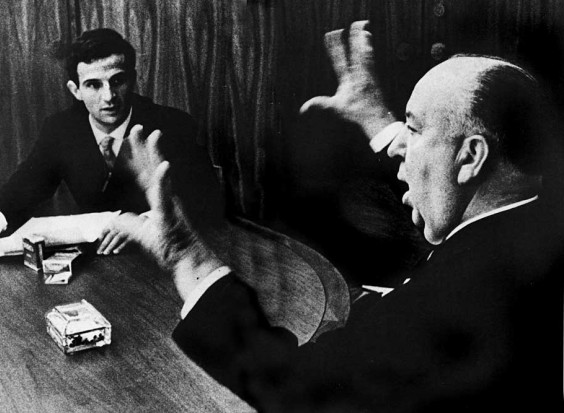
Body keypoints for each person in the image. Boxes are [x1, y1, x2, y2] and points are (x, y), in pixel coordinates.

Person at [124, 22, 563, 412]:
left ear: (470, 157)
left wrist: (186, 255)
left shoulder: (450, 303)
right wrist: (376, 117)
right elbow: (444, 180)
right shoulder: (539, 220)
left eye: (413, 128)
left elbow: (297, 389)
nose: (401, 145)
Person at [0, 28, 222, 255]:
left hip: (163, 254)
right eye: (94, 85)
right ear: (76, 90)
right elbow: (25, 187)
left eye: (117, 81)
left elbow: (205, 199)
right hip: (97, 262)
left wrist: (147, 223)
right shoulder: (61, 130)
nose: (109, 96)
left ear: (132, 79)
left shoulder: (172, 125)